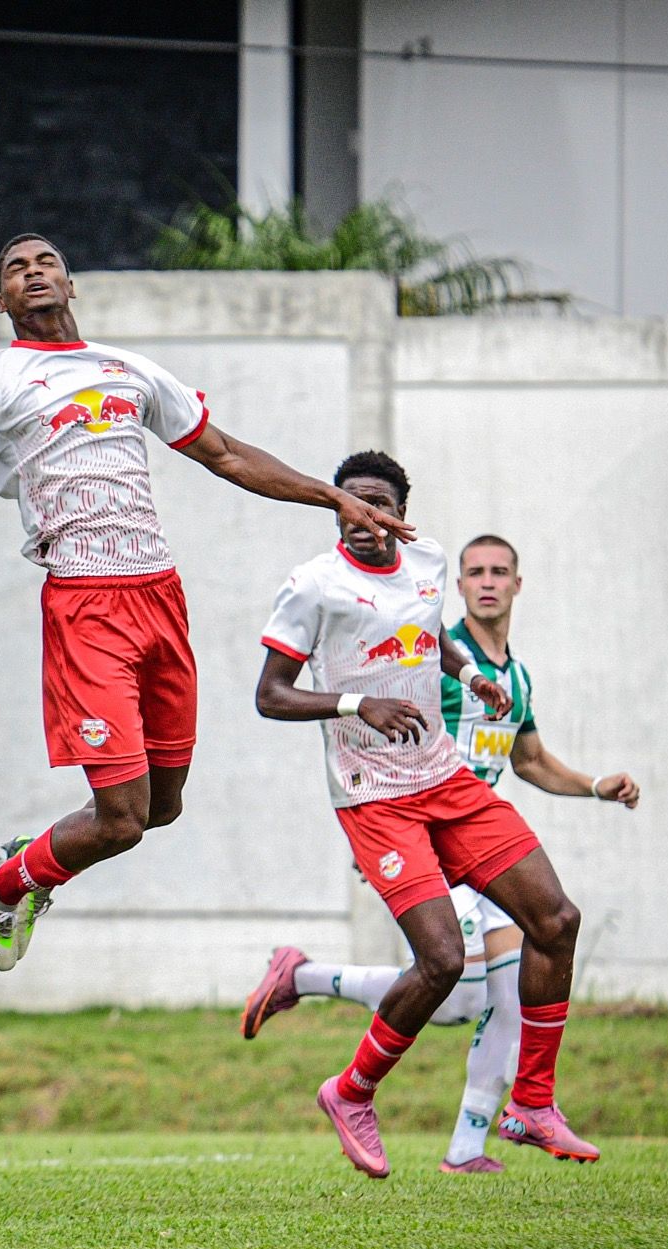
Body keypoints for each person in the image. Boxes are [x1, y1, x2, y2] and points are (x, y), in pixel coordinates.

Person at [0, 233, 411, 972]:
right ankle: (3, 879)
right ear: (1, 301)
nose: (34, 273)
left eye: (47, 263)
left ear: (71, 284)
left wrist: (332, 498)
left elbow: (225, 455)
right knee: (124, 820)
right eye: (15, 270)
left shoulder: (127, 371)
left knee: (163, 807)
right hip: (86, 605)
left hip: (160, 597)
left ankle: (22, 865)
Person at [248, 452, 598, 1178]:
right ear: (337, 510)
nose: (366, 520)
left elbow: (425, 635)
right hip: (373, 795)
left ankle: (531, 1104)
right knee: (440, 961)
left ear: (402, 515)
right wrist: (357, 703)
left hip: (445, 778)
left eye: (380, 506)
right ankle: (352, 1093)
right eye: (352, 505)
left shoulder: (427, 563)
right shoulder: (314, 585)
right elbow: (271, 694)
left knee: (556, 921)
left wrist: (470, 674)